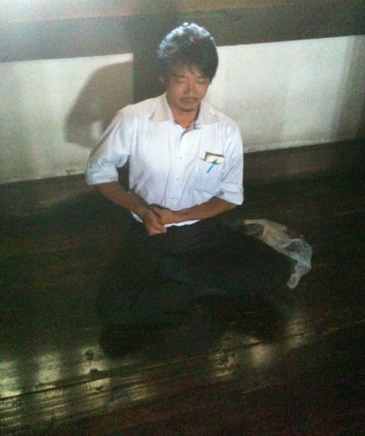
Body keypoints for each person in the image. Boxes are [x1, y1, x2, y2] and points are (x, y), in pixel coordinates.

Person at [85, 23, 291, 352]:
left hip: (201, 230)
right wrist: (140, 209)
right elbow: (99, 172)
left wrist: (180, 217)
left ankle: (181, 283)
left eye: (201, 80)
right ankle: (201, 284)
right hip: (150, 231)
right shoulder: (133, 119)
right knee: (113, 309)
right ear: (164, 77)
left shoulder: (224, 130)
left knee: (277, 270)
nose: (191, 91)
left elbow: (230, 196)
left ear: (209, 81)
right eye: (181, 79)